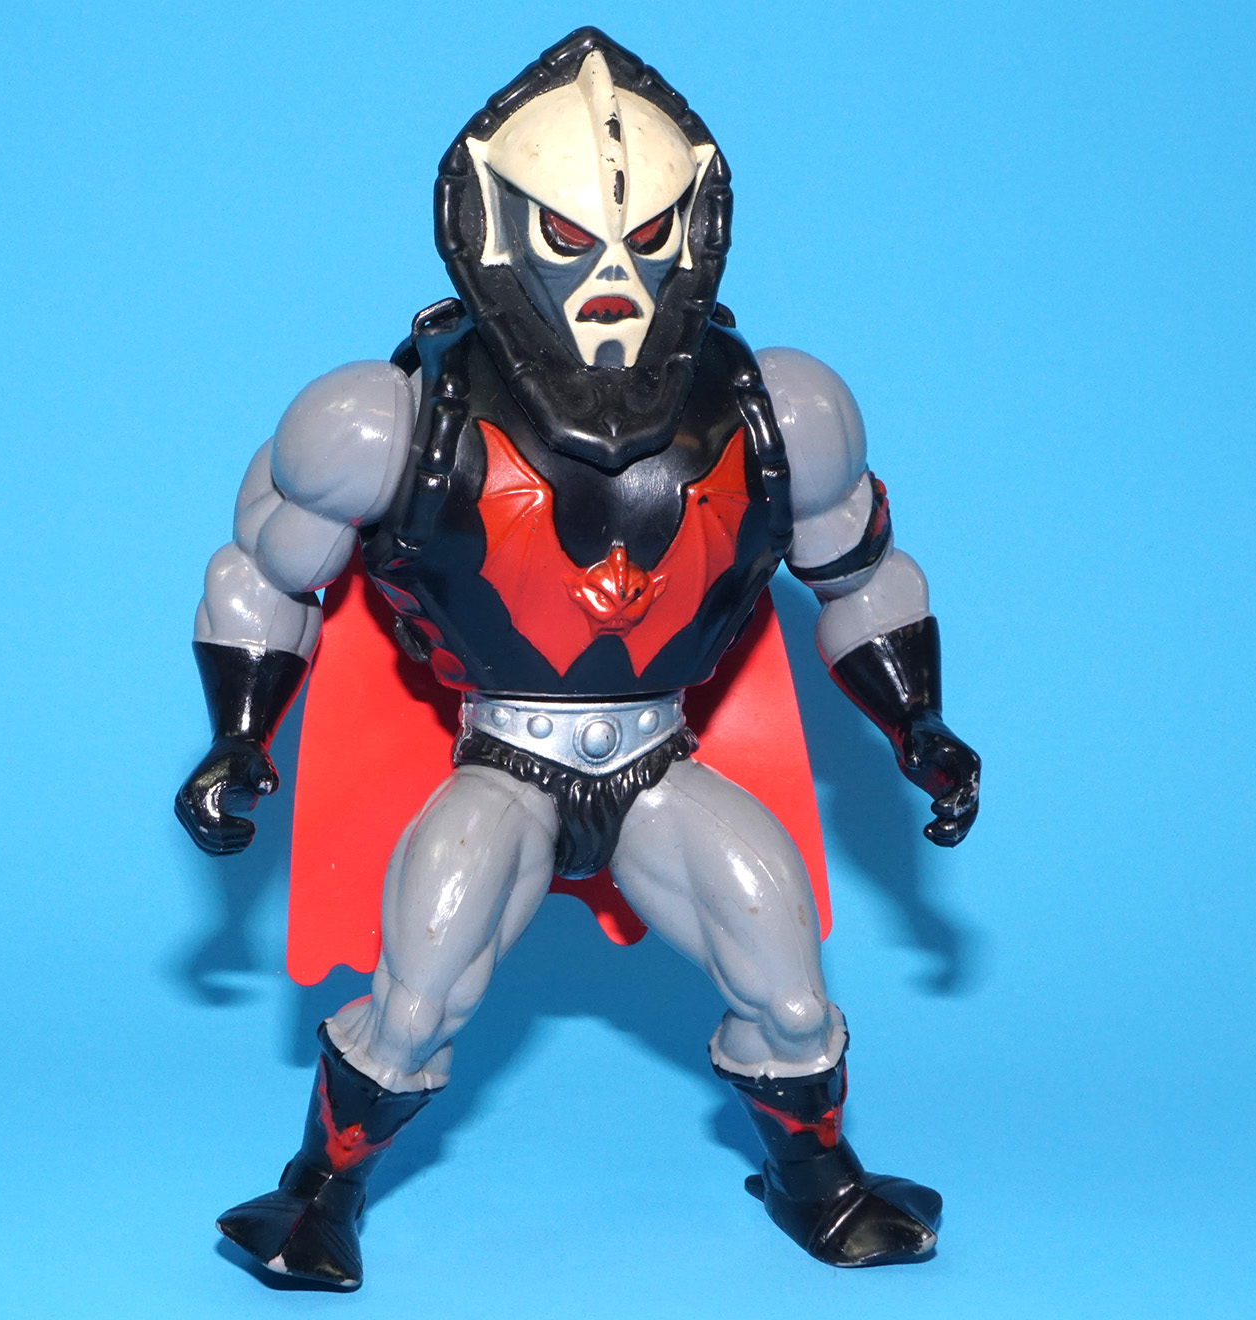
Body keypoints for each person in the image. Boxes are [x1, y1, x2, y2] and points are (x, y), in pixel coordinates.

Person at [176, 27, 980, 1292]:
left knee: (786, 991)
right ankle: (318, 1191)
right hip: (504, 759)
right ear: (497, 231)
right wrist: (236, 738)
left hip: (659, 758)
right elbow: (263, 577)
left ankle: (816, 1179)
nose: (614, 274)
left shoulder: (780, 409)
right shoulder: (386, 420)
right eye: (568, 237)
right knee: (417, 1000)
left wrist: (915, 723)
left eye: (646, 238)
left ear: (694, 233)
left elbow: (862, 576)